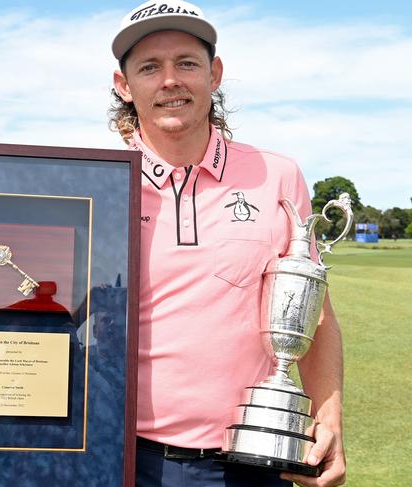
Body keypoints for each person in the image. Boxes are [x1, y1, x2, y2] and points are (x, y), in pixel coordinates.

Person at [109, 2, 346, 486]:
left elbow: (314, 312)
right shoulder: (98, 187)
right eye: (150, 67)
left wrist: (330, 417)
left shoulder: (277, 174)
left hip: (249, 459)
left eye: (187, 63)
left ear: (214, 75)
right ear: (124, 86)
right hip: (124, 460)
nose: (170, 80)